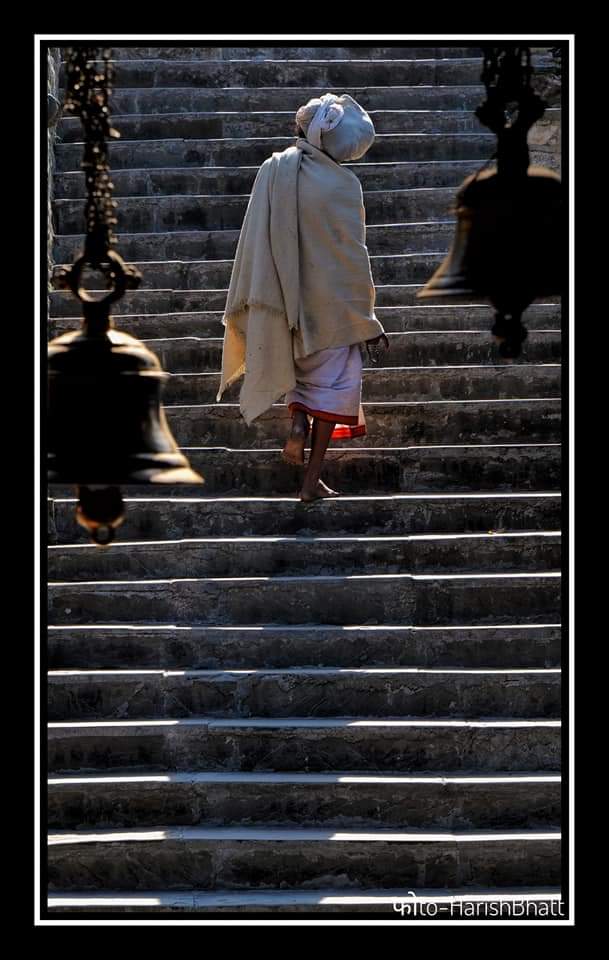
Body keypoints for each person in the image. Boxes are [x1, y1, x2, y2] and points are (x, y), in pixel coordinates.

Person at [217, 92, 389, 502]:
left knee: (302, 377)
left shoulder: (273, 169)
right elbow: (351, 255)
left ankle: (297, 424)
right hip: (329, 310)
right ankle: (311, 483)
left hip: (279, 301)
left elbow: (255, 238)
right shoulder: (344, 185)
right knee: (333, 387)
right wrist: (366, 320)